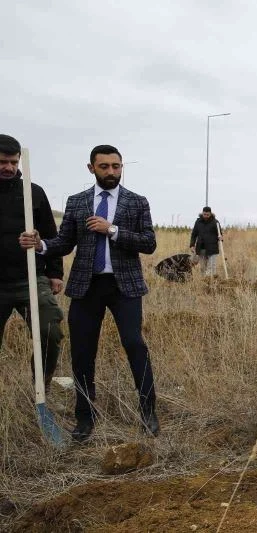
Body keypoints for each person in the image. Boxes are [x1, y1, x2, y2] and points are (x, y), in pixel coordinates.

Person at [20, 144, 159, 442]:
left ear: (122, 167)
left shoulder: (136, 202)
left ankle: (148, 411)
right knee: (82, 352)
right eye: (105, 166)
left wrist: (114, 230)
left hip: (125, 287)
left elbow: (149, 243)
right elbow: (64, 243)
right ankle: (85, 417)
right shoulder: (78, 202)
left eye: (116, 166)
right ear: (91, 168)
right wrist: (41, 245)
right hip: (86, 286)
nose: (111, 172)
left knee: (135, 344)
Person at [0, 134, 64, 389]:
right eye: (3, 162)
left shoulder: (33, 193)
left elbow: (51, 235)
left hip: (30, 278)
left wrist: (56, 272)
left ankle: (42, 386)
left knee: (50, 331)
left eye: (14, 162)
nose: (9, 168)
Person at [190, 206, 223, 276]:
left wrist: (220, 238)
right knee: (203, 268)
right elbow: (194, 234)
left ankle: (212, 283)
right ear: (202, 213)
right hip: (201, 248)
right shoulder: (198, 222)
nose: (206, 216)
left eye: (207, 215)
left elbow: (220, 234)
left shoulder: (215, 222)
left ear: (210, 214)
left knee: (211, 267)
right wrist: (192, 245)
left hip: (212, 249)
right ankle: (204, 284)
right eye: (204, 214)